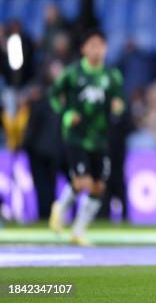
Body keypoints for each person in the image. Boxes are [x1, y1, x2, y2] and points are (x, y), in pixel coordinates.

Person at [48, 30, 125, 246]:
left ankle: (78, 230)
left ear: (106, 49)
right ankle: (61, 208)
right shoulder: (72, 73)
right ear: (84, 49)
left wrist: (118, 107)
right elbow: (54, 95)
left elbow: (120, 100)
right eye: (92, 45)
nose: (96, 50)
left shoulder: (112, 75)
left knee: (99, 187)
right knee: (84, 182)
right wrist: (67, 115)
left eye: (100, 46)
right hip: (76, 136)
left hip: (100, 137)